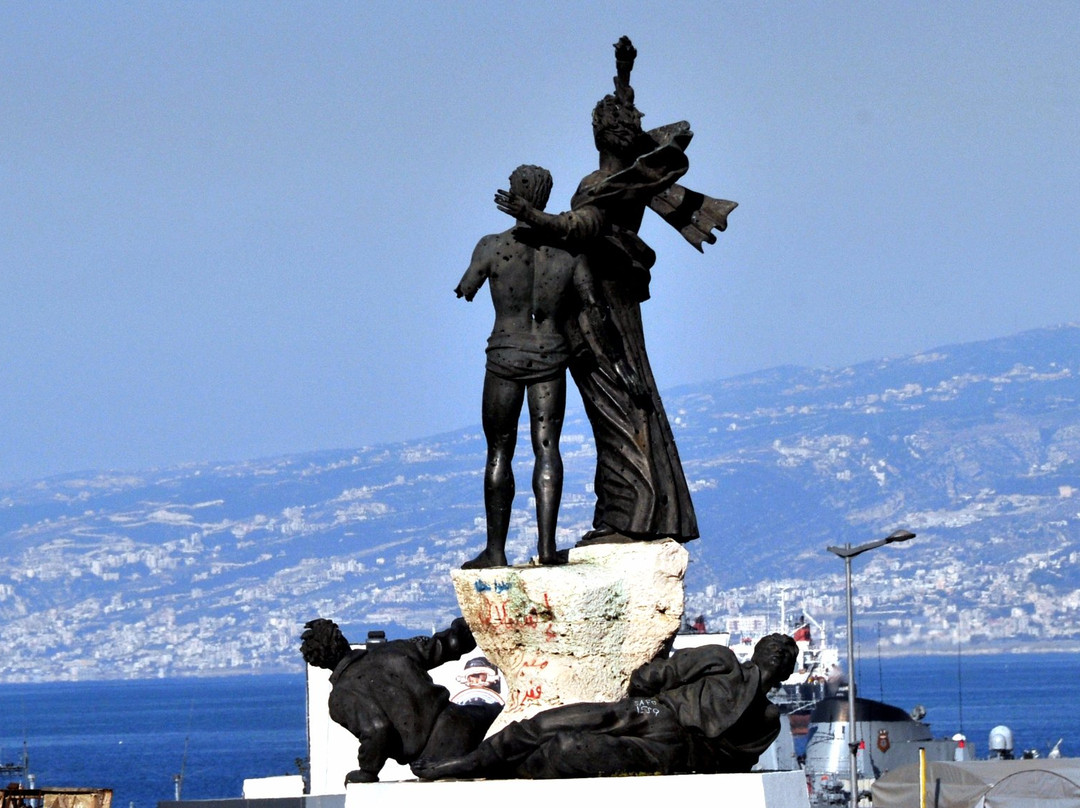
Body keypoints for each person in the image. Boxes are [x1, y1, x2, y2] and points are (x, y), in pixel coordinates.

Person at [494, 37, 736, 545]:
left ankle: (632, 513)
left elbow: (581, 227)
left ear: (599, 136)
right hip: (605, 298)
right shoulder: (623, 177)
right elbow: (624, 127)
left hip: (598, 304)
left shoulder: (607, 185)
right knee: (626, 396)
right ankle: (632, 511)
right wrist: (623, 72)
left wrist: (528, 216)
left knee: (616, 403)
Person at [457, 165, 640, 568]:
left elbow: (465, 288)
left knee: (499, 451)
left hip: (504, 356)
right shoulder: (569, 255)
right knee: (547, 448)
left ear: (516, 195)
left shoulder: (491, 246)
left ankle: (496, 550)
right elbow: (595, 308)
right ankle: (544, 547)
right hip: (550, 358)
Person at [411, 633, 798, 780]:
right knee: (556, 721)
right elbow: (657, 675)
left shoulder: (768, 719)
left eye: (787, 651)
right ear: (758, 649)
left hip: (675, 751)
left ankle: (503, 770)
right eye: (776, 644)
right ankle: (473, 761)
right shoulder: (721, 659)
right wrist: (641, 696)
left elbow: (733, 763)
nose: (780, 649)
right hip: (654, 711)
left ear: (787, 670)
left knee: (571, 748)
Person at [300, 617, 500, 784]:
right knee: (508, 717)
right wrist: (471, 621)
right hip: (462, 722)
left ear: (317, 662)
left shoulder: (340, 699)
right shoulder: (393, 650)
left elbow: (376, 730)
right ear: (341, 639)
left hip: (432, 758)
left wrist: (367, 771)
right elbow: (448, 645)